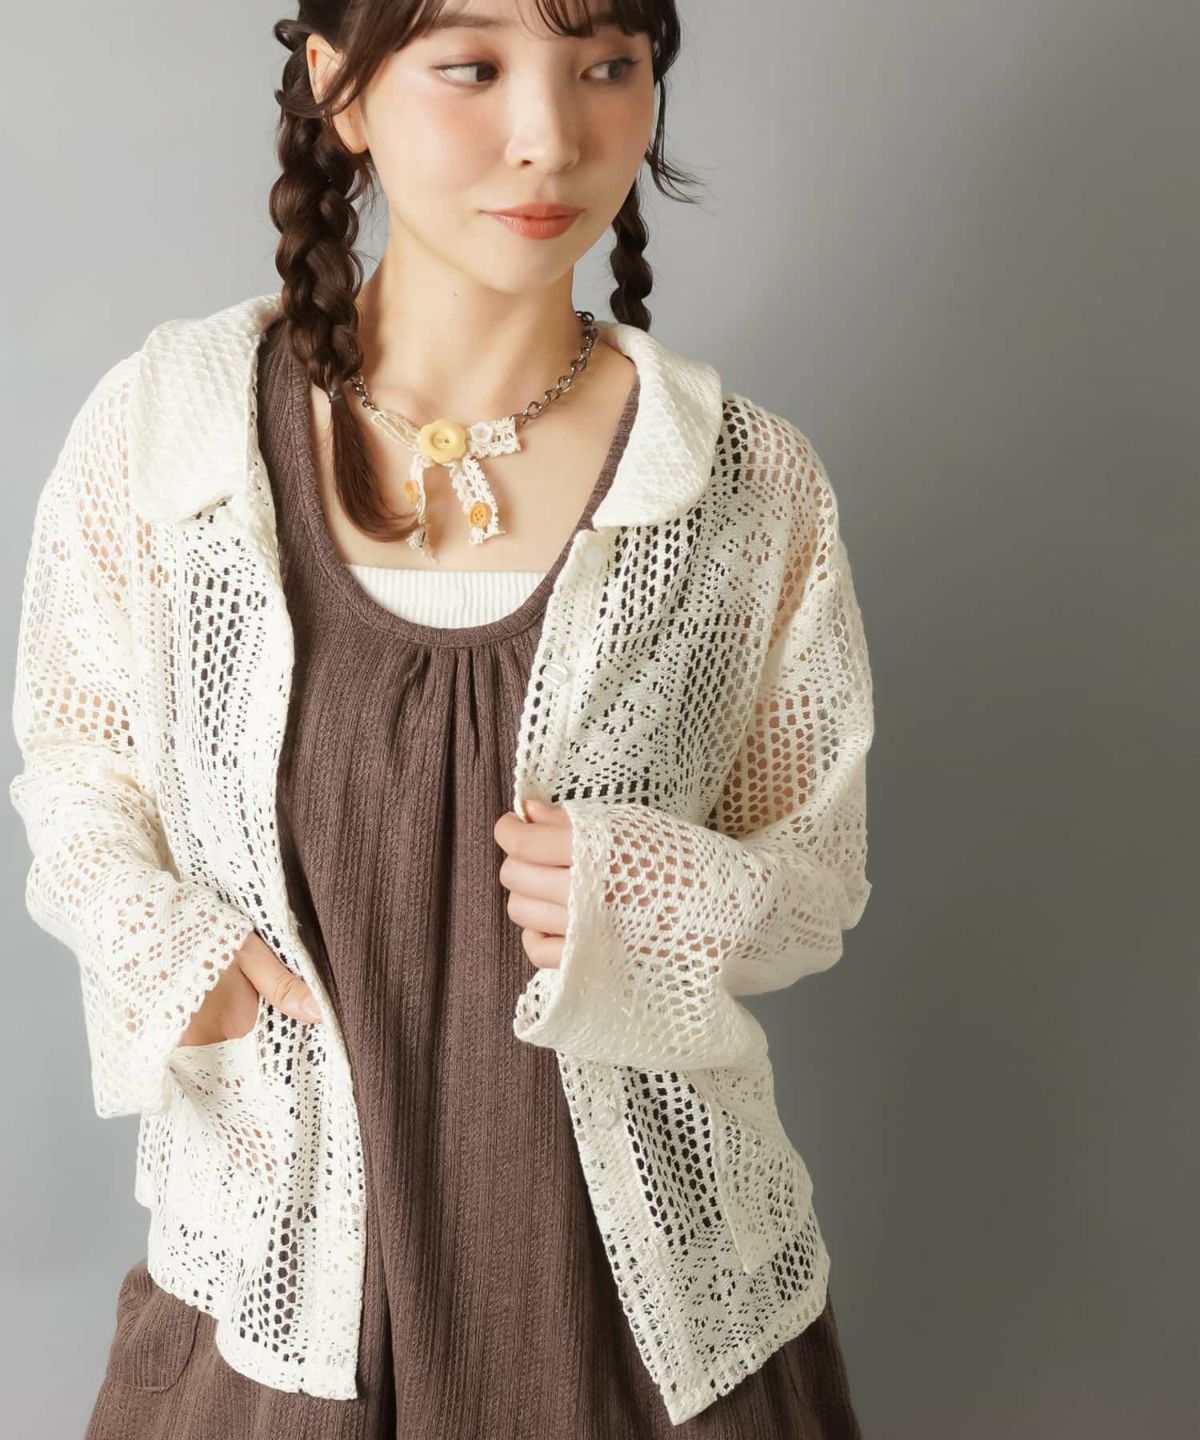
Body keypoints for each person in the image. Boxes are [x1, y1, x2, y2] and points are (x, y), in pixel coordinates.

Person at [9, 1, 875, 1435]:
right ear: (340, 90)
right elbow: (77, 763)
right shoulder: (175, 433)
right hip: (274, 1305)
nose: (552, 135)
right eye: (472, 68)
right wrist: (177, 954)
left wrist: (655, 896)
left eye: (609, 66)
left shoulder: (737, 482)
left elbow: (816, 873)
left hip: (651, 1334)